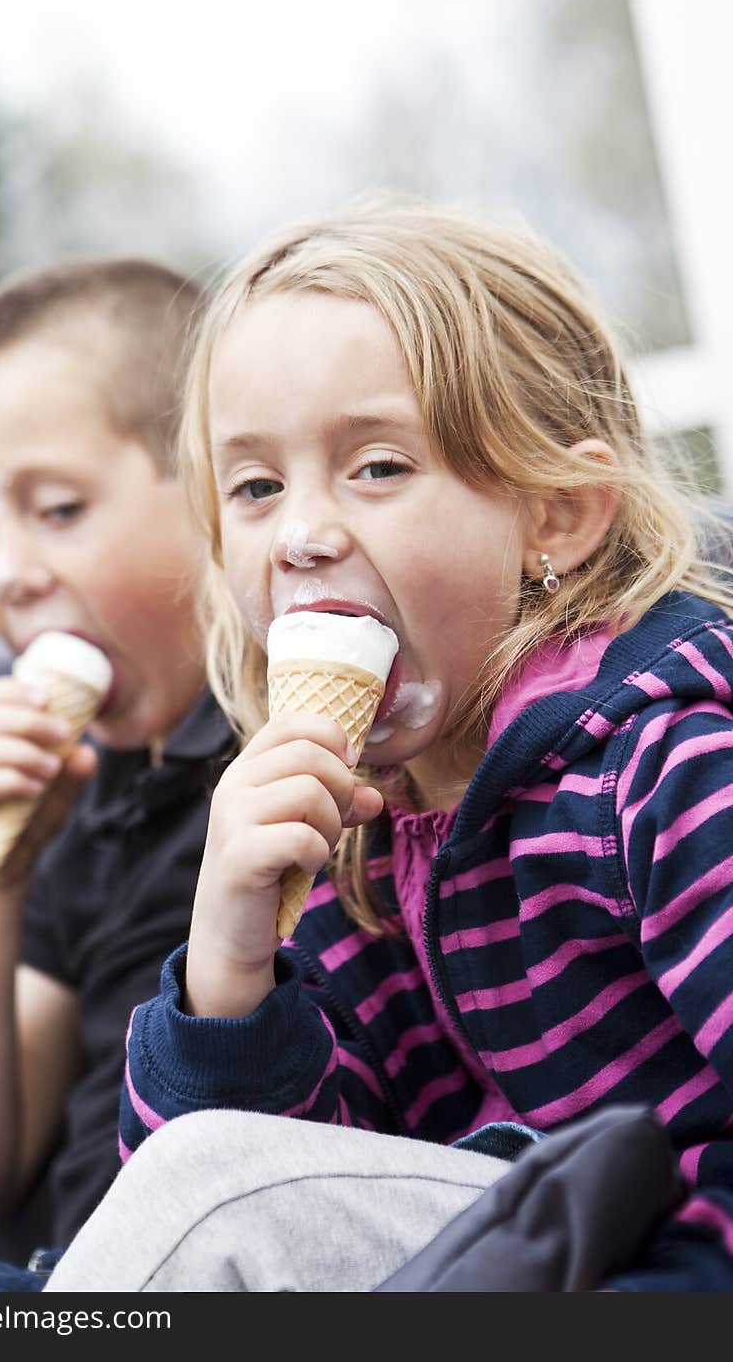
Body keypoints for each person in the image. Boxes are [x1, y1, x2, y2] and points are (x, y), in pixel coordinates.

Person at [44, 195, 733, 1293]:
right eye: (258, 487)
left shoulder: (661, 773)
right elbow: (274, 1189)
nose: (306, 534)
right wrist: (229, 969)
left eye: (375, 467)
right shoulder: (344, 839)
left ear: (555, 514)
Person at [0, 257, 235, 1287]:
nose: (10, 574)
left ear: (212, 479)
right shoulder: (85, 807)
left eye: (58, 508)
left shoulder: (292, 746)